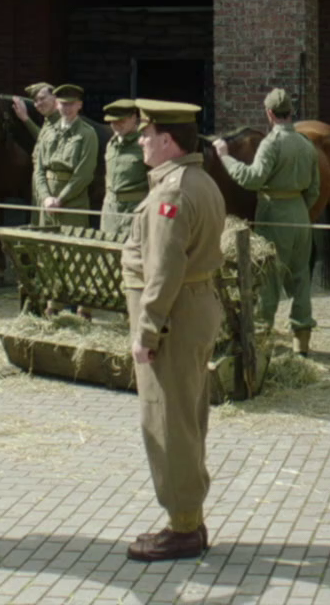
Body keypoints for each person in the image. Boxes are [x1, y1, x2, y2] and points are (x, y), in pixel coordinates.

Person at [121, 99, 226, 562]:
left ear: (167, 141)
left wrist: (146, 333)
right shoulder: (198, 180)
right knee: (185, 416)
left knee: (168, 421)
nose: (141, 142)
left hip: (174, 317)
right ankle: (188, 518)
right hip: (190, 308)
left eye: (147, 135)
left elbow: (163, 271)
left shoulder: (174, 191)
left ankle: (183, 526)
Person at [215, 88, 322, 355]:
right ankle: (302, 341)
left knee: (268, 278)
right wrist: (300, 209)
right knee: (301, 277)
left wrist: (225, 157)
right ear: (290, 113)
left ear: (270, 113)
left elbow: (252, 179)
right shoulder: (306, 144)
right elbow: (315, 189)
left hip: (275, 214)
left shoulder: (271, 143)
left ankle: (261, 340)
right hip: (300, 213)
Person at [34, 83, 98, 230]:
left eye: (71, 104)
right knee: (46, 242)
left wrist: (61, 199)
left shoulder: (87, 133)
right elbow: (39, 169)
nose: (67, 108)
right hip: (48, 204)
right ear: (57, 104)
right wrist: (46, 197)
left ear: (79, 105)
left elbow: (84, 173)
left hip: (73, 203)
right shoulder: (48, 132)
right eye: (63, 104)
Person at [99, 98, 150, 237]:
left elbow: (155, 182)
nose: (116, 125)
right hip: (110, 211)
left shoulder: (144, 144)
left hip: (134, 211)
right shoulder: (111, 144)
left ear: (133, 118)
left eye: (121, 121)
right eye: (112, 122)